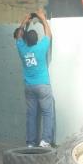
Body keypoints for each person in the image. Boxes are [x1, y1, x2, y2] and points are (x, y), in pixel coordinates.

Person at [14, 9, 55, 148]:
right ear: (37, 39)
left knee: (31, 115)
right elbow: (49, 35)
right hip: (42, 85)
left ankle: (31, 143)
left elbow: (19, 35)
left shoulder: (22, 48)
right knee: (47, 113)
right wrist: (43, 19)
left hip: (29, 87)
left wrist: (24, 22)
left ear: (26, 40)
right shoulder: (41, 47)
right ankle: (45, 141)